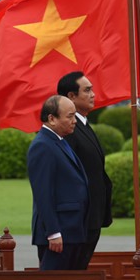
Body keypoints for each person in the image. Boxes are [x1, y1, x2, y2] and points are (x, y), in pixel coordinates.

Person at [57, 71, 113, 270]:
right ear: (71, 97)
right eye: (87, 90)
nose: (93, 94)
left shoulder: (84, 125)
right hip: (78, 220)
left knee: (80, 272)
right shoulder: (68, 130)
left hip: (92, 216)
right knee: (71, 276)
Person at [28, 95, 89, 270]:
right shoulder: (43, 145)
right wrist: (53, 232)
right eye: (69, 116)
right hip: (58, 236)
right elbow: (43, 194)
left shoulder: (58, 140)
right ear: (52, 118)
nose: (74, 121)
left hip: (71, 230)